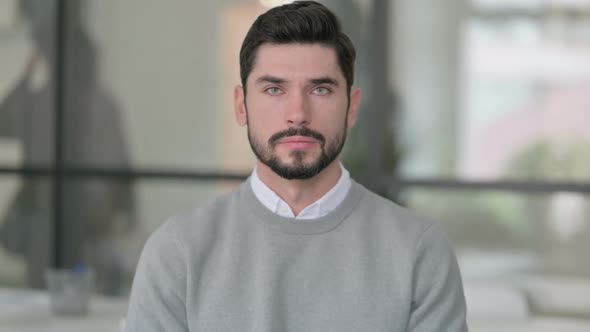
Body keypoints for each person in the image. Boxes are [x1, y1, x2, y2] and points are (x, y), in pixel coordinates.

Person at [125, 1, 467, 331]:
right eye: (274, 89)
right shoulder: (178, 251)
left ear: (352, 106)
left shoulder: (419, 250)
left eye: (320, 89)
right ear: (241, 106)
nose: (298, 113)